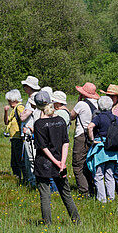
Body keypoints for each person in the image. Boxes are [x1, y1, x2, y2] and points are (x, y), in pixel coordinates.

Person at [32, 91, 81, 225]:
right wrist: (62, 163)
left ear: (37, 106)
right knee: (66, 194)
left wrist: (55, 162)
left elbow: (43, 147)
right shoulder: (60, 121)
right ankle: (77, 221)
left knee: (45, 195)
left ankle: (47, 224)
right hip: (60, 161)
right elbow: (66, 142)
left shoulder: (38, 124)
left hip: (44, 163)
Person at [86, 96, 118, 203]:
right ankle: (111, 198)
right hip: (113, 150)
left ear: (99, 106)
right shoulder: (115, 118)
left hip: (101, 148)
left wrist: (92, 140)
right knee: (110, 175)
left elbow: (90, 127)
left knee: (99, 174)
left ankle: (102, 199)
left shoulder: (99, 117)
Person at [69, 82, 99, 197]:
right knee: (89, 163)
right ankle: (92, 188)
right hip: (94, 136)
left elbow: (71, 117)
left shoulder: (81, 104)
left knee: (77, 164)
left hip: (81, 135)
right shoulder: (97, 104)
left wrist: (78, 102)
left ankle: (84, 191)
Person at [3, 89, 31, 185]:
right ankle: (18, 179)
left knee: (20, 161)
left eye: (9, 100)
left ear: (14, 100)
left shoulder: (19, 107)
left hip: (19, 138)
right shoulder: (13, 110)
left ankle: (25, 179)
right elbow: (6, 122)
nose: (9, 103)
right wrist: (6, 112)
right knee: (14, 162)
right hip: (14, 138)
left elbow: (23, 119)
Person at [19, 75, 41, 188]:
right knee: (29, 159)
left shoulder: (33, 99)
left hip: (30, 133)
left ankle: (34, 183)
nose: (24, 88)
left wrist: (21, 113)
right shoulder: (34, 97)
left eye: (25, 86)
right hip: (30, 132)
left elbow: (23, 117)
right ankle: (32, 181)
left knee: (31, 158)